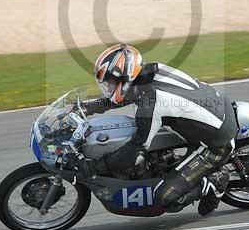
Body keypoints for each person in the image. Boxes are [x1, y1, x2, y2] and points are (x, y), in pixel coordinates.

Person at [75, 43, 238, 216]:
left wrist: (95, 167)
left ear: (126, 79)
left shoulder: (151, 106)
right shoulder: (151, 71)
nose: (109, 87)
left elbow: (135, 151)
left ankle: (215, 180)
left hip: (214, 144)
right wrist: (90, 107)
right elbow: (130, 94)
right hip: (216, 109)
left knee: (165, 198)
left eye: (112, 82)